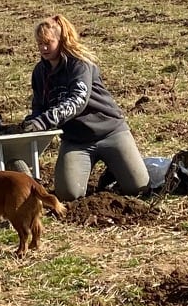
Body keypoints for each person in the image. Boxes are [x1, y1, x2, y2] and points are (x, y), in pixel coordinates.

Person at [21, 12, 149, 201]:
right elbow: (39, 105)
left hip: (110, 132)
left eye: (49, 42)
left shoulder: (80, 64)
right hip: (76, 141)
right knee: (69, 195)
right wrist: (33, 120)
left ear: (61, 40)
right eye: (40, 43)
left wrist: (44, 121)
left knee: (138, 188)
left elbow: (77, 100)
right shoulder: (40, 73)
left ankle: (116, 169)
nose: (44, 48)